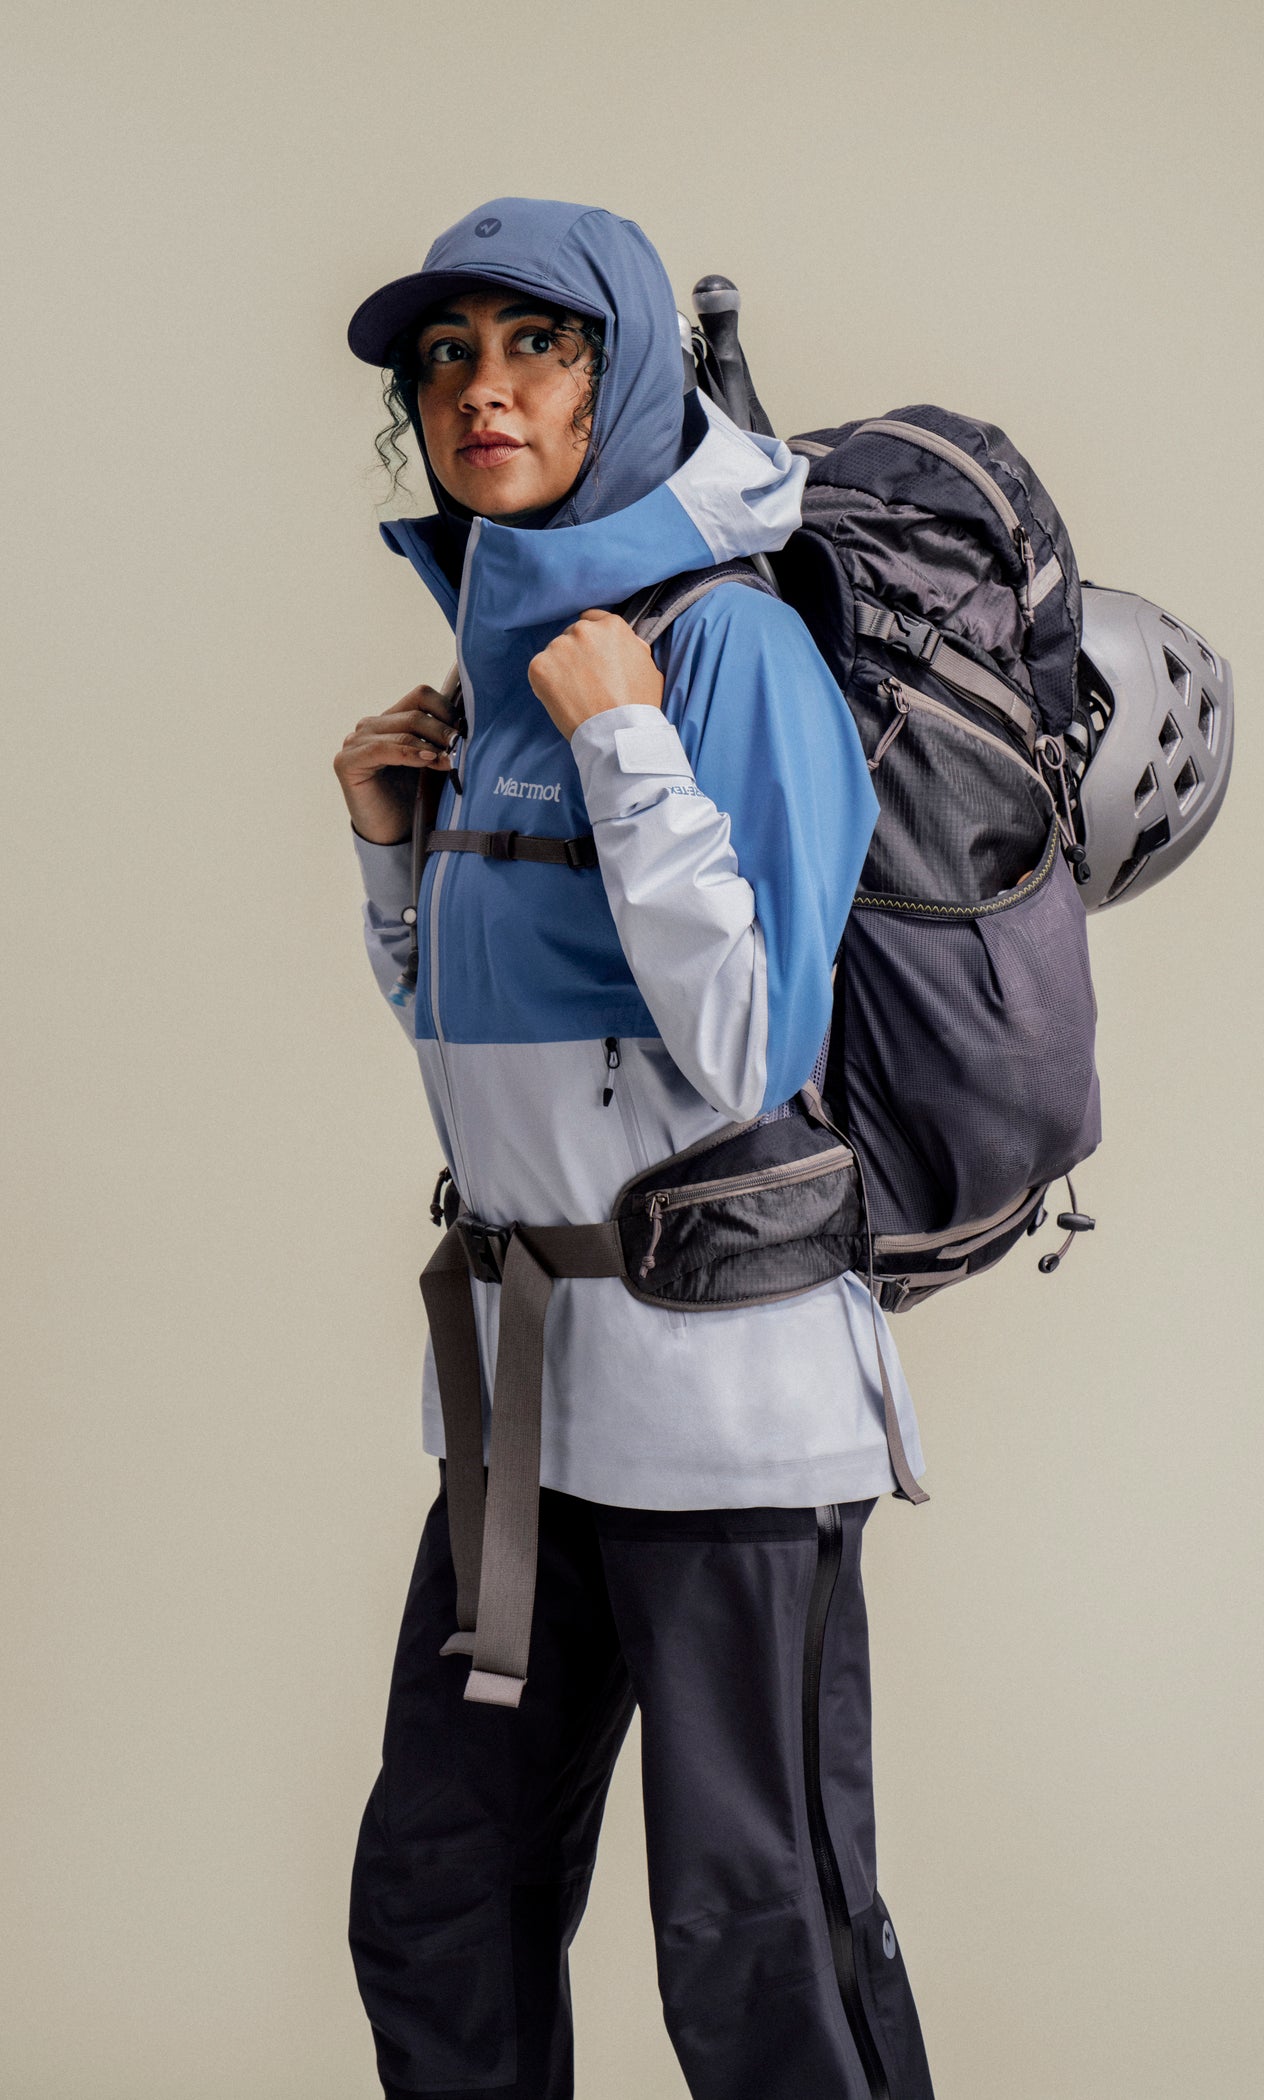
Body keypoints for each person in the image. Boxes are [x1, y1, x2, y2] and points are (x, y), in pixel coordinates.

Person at [336, 195, 936, 2100]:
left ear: (637, 371)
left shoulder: (729, 650)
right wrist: (387, 854)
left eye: (540, 345)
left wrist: (626, 747)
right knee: (439, 1895)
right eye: (448, 358)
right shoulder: (507, 660)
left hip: (723, 1420)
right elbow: (491, 1053)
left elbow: (751, 1045)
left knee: (757, 1944)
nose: (482, 390)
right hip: (525, 1416)